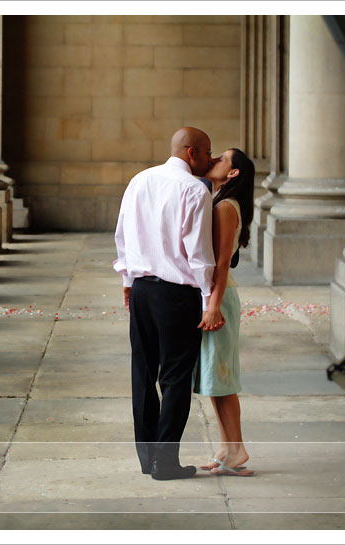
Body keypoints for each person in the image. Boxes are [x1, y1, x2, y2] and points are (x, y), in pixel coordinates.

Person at [113, 127, 223, 481]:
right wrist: (210, 301)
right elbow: (199, 255)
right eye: (207, 153)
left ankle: (149, 459)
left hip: (144, 290)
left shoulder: (139, 180)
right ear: (191, 152)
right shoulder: (194, 190)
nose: (210, 159)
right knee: (175, 379)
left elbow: (123, 235)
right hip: (178, 295)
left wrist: (128, 282)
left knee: (142, 375)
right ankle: (165, 462)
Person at [194, 148, 256, 477]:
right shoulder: (221, 202)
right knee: (215, 378)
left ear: (233, 174)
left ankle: (238, 448)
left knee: (223, 376)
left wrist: (213, 305)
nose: (214, 159)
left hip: (221, 296)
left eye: (221, 159)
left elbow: (220, 263)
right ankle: (227, 448)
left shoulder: (225, 208)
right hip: (217, 294)